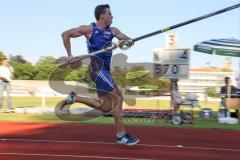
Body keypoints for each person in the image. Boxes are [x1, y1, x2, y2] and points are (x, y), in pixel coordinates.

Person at [61, 4, 139, 146]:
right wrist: (69, 55)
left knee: (105, 107)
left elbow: (129, 41)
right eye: (109, 14)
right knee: (118, 98)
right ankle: (121, 135)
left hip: (105, 71)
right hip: (97, 69)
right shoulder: (89, 29)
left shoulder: (113, 31)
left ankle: (74, 97)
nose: (112, 17)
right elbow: (65, 34)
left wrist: (124, 43)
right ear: (102, 15)